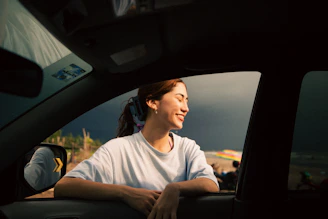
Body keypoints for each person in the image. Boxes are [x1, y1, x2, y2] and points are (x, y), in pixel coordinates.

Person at [54, 78, 219, 218]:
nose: (186, 108)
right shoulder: (117, 149)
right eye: (179, 98)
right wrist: (125, 193)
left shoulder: (187, 147)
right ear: (152, 102)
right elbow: (64, 186)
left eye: (187, 101)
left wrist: (174, 189)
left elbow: (210, 183)